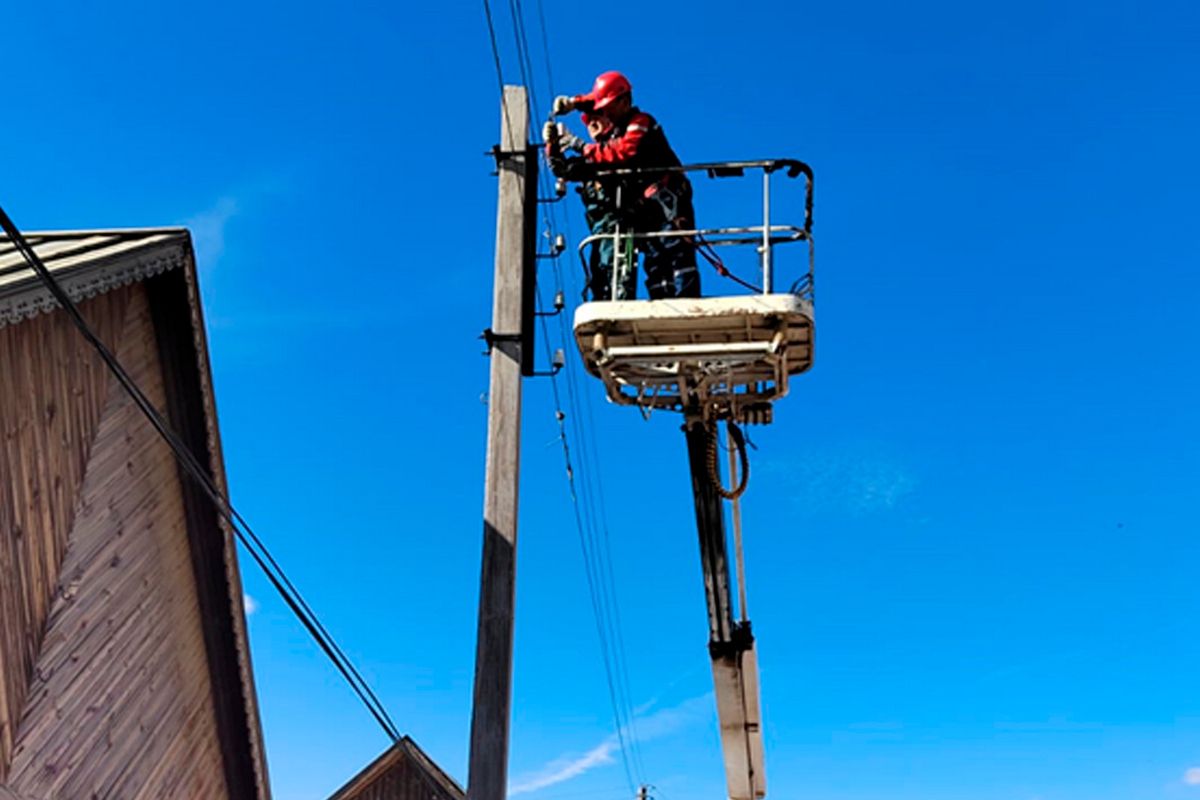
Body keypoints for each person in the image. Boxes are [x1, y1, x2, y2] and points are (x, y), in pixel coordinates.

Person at [552, 71, 700, 300]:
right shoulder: (609, 142)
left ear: (625, 101)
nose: (605, 112)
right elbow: (572, 169)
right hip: (645, 210)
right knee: (655, 259)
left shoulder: (640, 123)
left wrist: (579, 145)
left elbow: (623, 152)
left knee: (675, 253)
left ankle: (685, 302)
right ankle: (663, 304)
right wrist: (573, 105)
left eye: (608, 107)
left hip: (669, 202)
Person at [543, 113, 635, 300]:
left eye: (597, 118)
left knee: (615, 271)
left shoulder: (617, 148)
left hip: (618, 223)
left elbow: (612, 156)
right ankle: (605, 307)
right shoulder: (590, 160)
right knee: (599, 273)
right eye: (588, 121)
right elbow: (563, 169)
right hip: (599, 229)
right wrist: (552, 146)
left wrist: (575, 143)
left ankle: (616, 307)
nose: (592, 123)